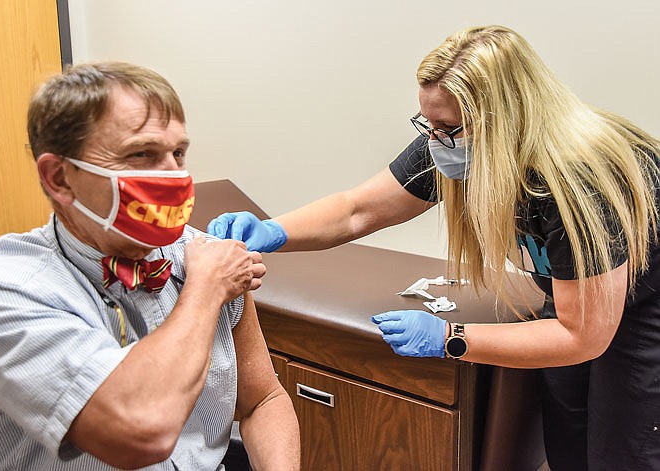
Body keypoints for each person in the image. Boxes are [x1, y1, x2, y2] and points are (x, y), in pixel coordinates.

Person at [208, 25, 660, 470]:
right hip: (573, 301)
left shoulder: (578, 179)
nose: (435, 140)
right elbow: (358, 210)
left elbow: (581, 335)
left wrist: (451, 338)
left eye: (447, 127)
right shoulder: (455, 139)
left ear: (505, 121)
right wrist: (273, 230)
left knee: (623, 452)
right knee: (568, 440)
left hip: (644, 309)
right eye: (428, 122)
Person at [0, 62, 300, 471]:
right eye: (142, 154)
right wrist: (206, 290)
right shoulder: (9, 286)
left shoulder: (203, 256)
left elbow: (263, 399)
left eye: (178, 153)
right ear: (60, 178)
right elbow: (142, 430)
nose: (175, 174)